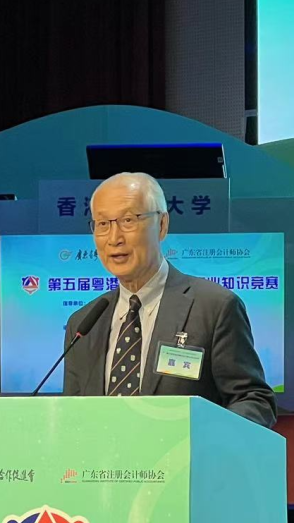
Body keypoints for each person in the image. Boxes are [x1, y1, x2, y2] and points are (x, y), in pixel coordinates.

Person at [61, 172, 276, 428]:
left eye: (128, 220)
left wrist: (203, 439)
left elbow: (254, 400)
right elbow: (72, 417)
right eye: (103, 224)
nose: (114, 238)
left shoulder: (214, 307)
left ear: (162, 225)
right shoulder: (83, 324)